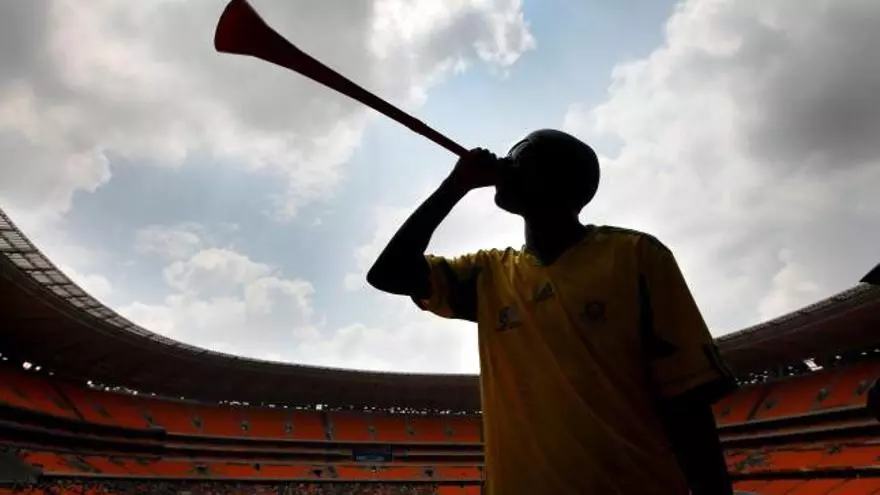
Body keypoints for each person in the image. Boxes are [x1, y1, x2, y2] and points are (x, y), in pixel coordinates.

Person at [367, 129, 737, 495]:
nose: (506, 163)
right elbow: (389, 273)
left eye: (520, 155)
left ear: (557, 177)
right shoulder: (488, 273)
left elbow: (688, 401)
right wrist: (454, 186)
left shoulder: (635, 255)